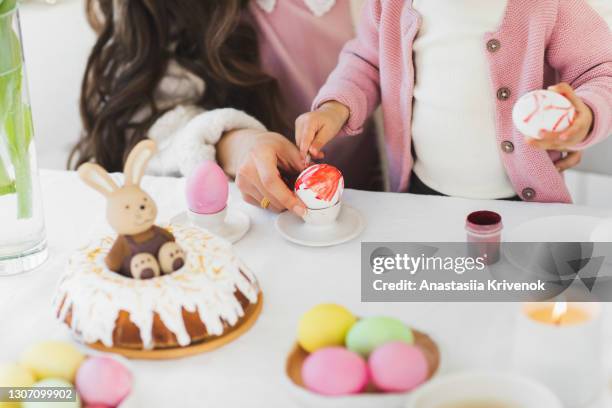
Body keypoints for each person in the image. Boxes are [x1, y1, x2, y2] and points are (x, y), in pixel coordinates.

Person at [70, 0, 380, 217]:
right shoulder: (169, 12)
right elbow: (156, 121)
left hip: (391, 202)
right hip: (261, 224)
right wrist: (240, 143)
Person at [296, 0, 612, 203]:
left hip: (524, 200)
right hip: (421, 193)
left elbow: (600, 70)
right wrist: (336, 107)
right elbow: (368, 62)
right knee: (435, 295)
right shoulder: (389, 5)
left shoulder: (549, 4)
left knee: (520, 296)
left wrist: (584, 114)